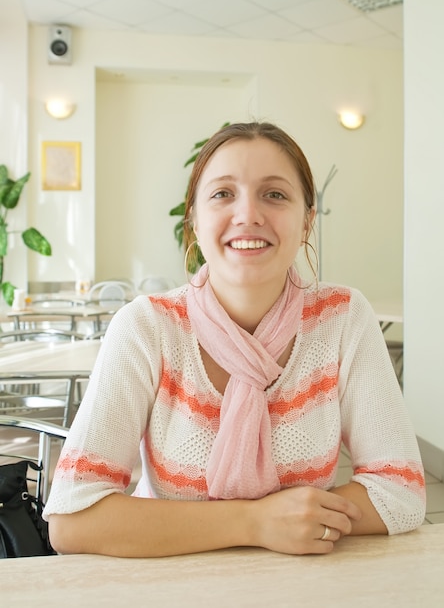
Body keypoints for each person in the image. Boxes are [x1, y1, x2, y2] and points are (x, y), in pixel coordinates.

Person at [44, 121, 425, 557]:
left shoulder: (341, 318)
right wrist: (255, 523)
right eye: (223, 194)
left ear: (307, 222)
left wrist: (293, 521)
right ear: (194, 221)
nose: (248, 214)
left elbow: (402, 491)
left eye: (275, 194)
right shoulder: (147, 327)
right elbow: (73, 519)